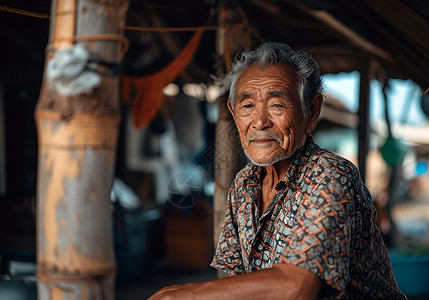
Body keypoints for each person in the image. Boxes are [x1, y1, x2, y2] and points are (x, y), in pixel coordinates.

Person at [149, 42, 407, 299]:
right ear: (233, 112)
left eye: (277, 105)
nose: (259, 122)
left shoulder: (331, 176)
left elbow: (297, 287)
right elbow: (237, 284)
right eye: (247, 106)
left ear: (312, 111)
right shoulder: (243, 185)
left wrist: (185, 295)